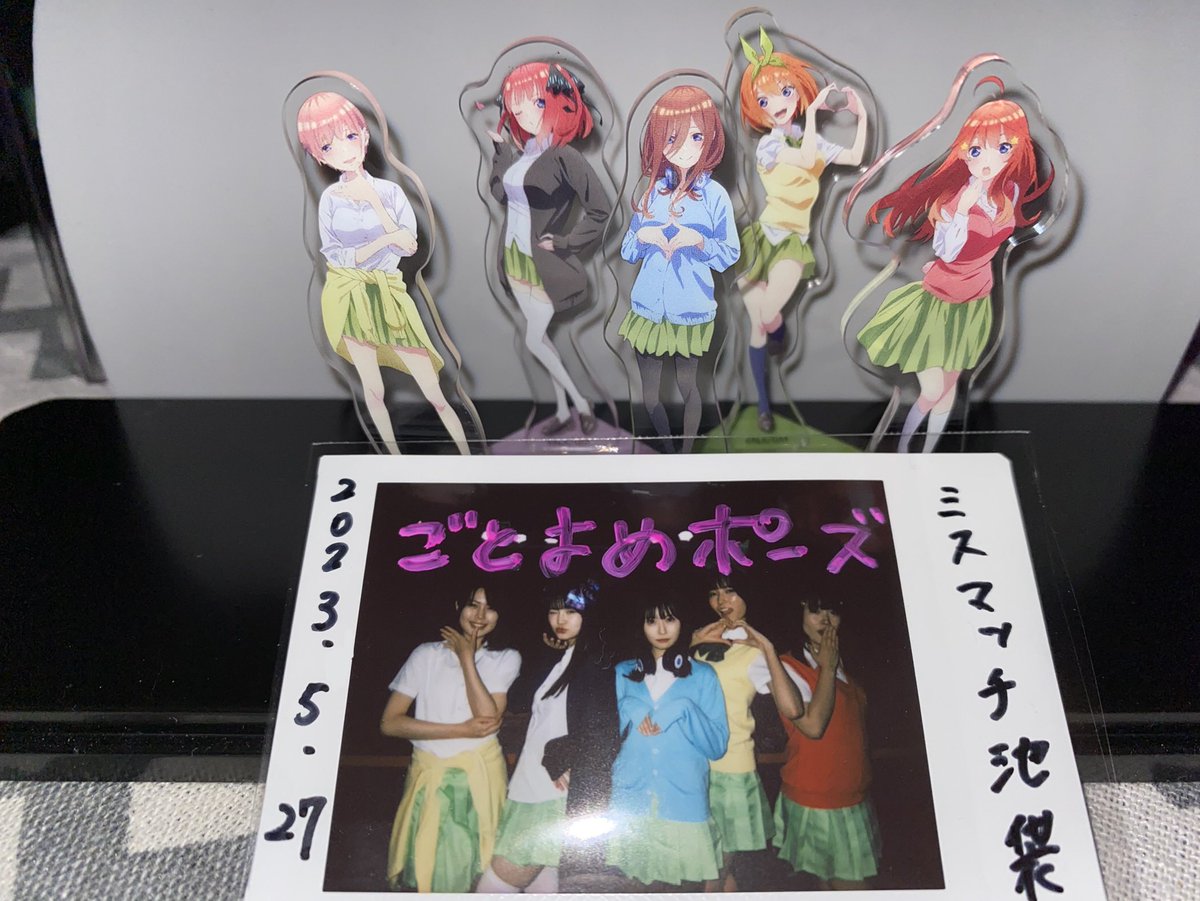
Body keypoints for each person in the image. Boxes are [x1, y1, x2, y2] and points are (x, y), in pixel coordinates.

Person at [856, 96, 1052, 452]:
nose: (988, 161)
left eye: (1002, 148)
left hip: (975, 303)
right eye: (977, 150)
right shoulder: (952, 200)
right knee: (932, 391)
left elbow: (1005, 233)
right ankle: (903, 450)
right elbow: (946, 251)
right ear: (963, 152)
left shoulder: (1009, 192)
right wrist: (961, 211)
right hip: (938, 303)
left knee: (948, 392)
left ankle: (927, 456)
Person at [297, 91, 470, 455]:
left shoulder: (389, 192)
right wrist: (382, 242)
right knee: (373, 390)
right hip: (352, 298)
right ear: (319, 156)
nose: (344, 150)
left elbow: (409, 245)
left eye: (349, 136)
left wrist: (375, 203)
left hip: (390, 295)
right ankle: (393, 461)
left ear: (364, 135)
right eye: (328, 145)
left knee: (433, 388)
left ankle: (469, 457)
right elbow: (337, 256)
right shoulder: (330, 200)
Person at [735, 28, 867, 431]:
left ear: (799, 92)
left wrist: (861, 117)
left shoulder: (813, 142)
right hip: (760, 238)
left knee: (766, 314)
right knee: (757, 326)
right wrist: (811, 117)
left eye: (785, 92)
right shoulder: (769, 146)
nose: (776, 105)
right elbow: (807, 156)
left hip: (793, 240)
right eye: (764, 100)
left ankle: (776, 331)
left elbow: (854, 156)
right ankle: (762, 405)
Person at [488, 62, 611, 435]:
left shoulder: (565, 156)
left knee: (533, 340)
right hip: (514, 257)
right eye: (517, 105)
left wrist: (566, 241)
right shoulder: (523, 153)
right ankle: (561, 411)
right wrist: (501, 153)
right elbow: (500, 193)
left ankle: (581, 403)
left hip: (542, 262)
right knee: (539, 337)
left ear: (558, 102)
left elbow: (601, 209)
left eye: (536, 102)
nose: (525, 112)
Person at [619, 84, 739, 453]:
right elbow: (628, 249)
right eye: (673, 138)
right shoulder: (652, 192)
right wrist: (646, 236)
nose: (686, 147)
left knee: (689, 387)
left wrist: (698, 241)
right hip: (648, 309)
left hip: (691, 309)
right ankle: (667, 451)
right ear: (658, 141)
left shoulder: (716, 196)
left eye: (696, 136)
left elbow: (730, 252)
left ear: (710, 138)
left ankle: (686, 454)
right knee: (649, 397)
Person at [476, 581, 618, 893]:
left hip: (552, 790)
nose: (560, 619)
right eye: (554, 612)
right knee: (542, 884)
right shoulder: (564, 658)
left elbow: (604, 729)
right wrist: (547, 654)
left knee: (497, 883)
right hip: (530, 783)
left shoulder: (595, 663)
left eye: (571, 612)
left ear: (590, 615)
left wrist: (565, 758)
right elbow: (520, 701)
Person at [381, 587, 520, 892]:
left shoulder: (505, 658)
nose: (480, 615)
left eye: (490, 608)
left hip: (481, 776)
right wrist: (461, 730)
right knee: (432, 868)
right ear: (458, 606)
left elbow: (487, 720)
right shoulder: (426, 654)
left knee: (477, 871)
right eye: (473, 605)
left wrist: (466, 657)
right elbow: (390, 723)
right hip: (429, 775)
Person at [690, 574, 804, 891]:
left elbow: (793, 709)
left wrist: (767, 647)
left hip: (730, 768)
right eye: (714, 593)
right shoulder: (702, 640)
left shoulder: (754, 652)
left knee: (713, 869)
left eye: (730, 591)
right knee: (716, 870)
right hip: (692, 765)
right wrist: (692, 646)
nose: (721, 601)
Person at [606, 600, 729, 888]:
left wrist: (685, 709)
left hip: (683, 802)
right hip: (631, 800)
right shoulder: (622, 672)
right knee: (636, 888)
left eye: (669, 620)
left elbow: (717, 747)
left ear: (683, 623)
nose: (661, 630)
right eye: (652, 621)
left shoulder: (703, 675)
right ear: (640, 626)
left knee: (683, 888)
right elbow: (604, 738)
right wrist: (627, 707)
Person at [775, 598, 880, 891]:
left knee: (827, 883)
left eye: (833, 611)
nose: (825, 619)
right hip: (818, 797)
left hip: (852, 794)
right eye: (815, 610)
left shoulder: (843, 662)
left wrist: (832, 665)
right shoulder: (788, 666)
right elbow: (813, 726)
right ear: (799, 613)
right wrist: (828, 668)